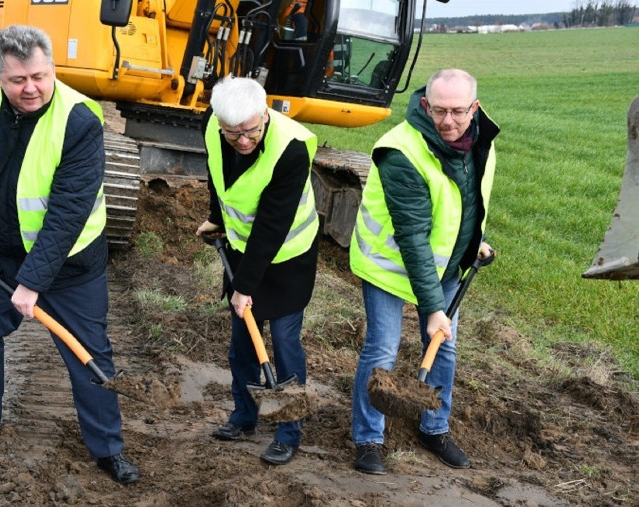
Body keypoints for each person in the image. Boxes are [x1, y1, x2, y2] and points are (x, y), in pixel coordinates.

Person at [0, 25, 139, 484]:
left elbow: (67, 212)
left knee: (88, 357)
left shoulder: (79, 120)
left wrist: (33, 283)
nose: (32, 88)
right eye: (18, 80)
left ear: (52, 68)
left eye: (40, 76)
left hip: (71, 267)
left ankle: (107, 448)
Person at [349, 68, 499, 475]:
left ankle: (434, 427)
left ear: (475, 108)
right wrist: (433, 309)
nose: (448, 121)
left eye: (457, 112)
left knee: (445, 348)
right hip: (390, 266)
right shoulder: (401, 151)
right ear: (424, 105)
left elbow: (468, 200)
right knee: (382, 348)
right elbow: (413, 237)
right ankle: (368, 438)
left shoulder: (480, 140)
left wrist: (472, 243)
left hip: (443, 265)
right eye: (438, 111)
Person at [196, 76, 319, 466]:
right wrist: (217, 218)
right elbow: (219, 179)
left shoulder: (292, 150)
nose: (243, 141)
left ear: (264, 114)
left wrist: (244, 286)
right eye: (233, 134)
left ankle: (288, 430)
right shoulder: (213, 128)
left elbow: (272, 225)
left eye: (251, 130)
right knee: (242, 344)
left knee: (283, 344)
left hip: (287, 256)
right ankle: (244, 417)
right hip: (240, 251)